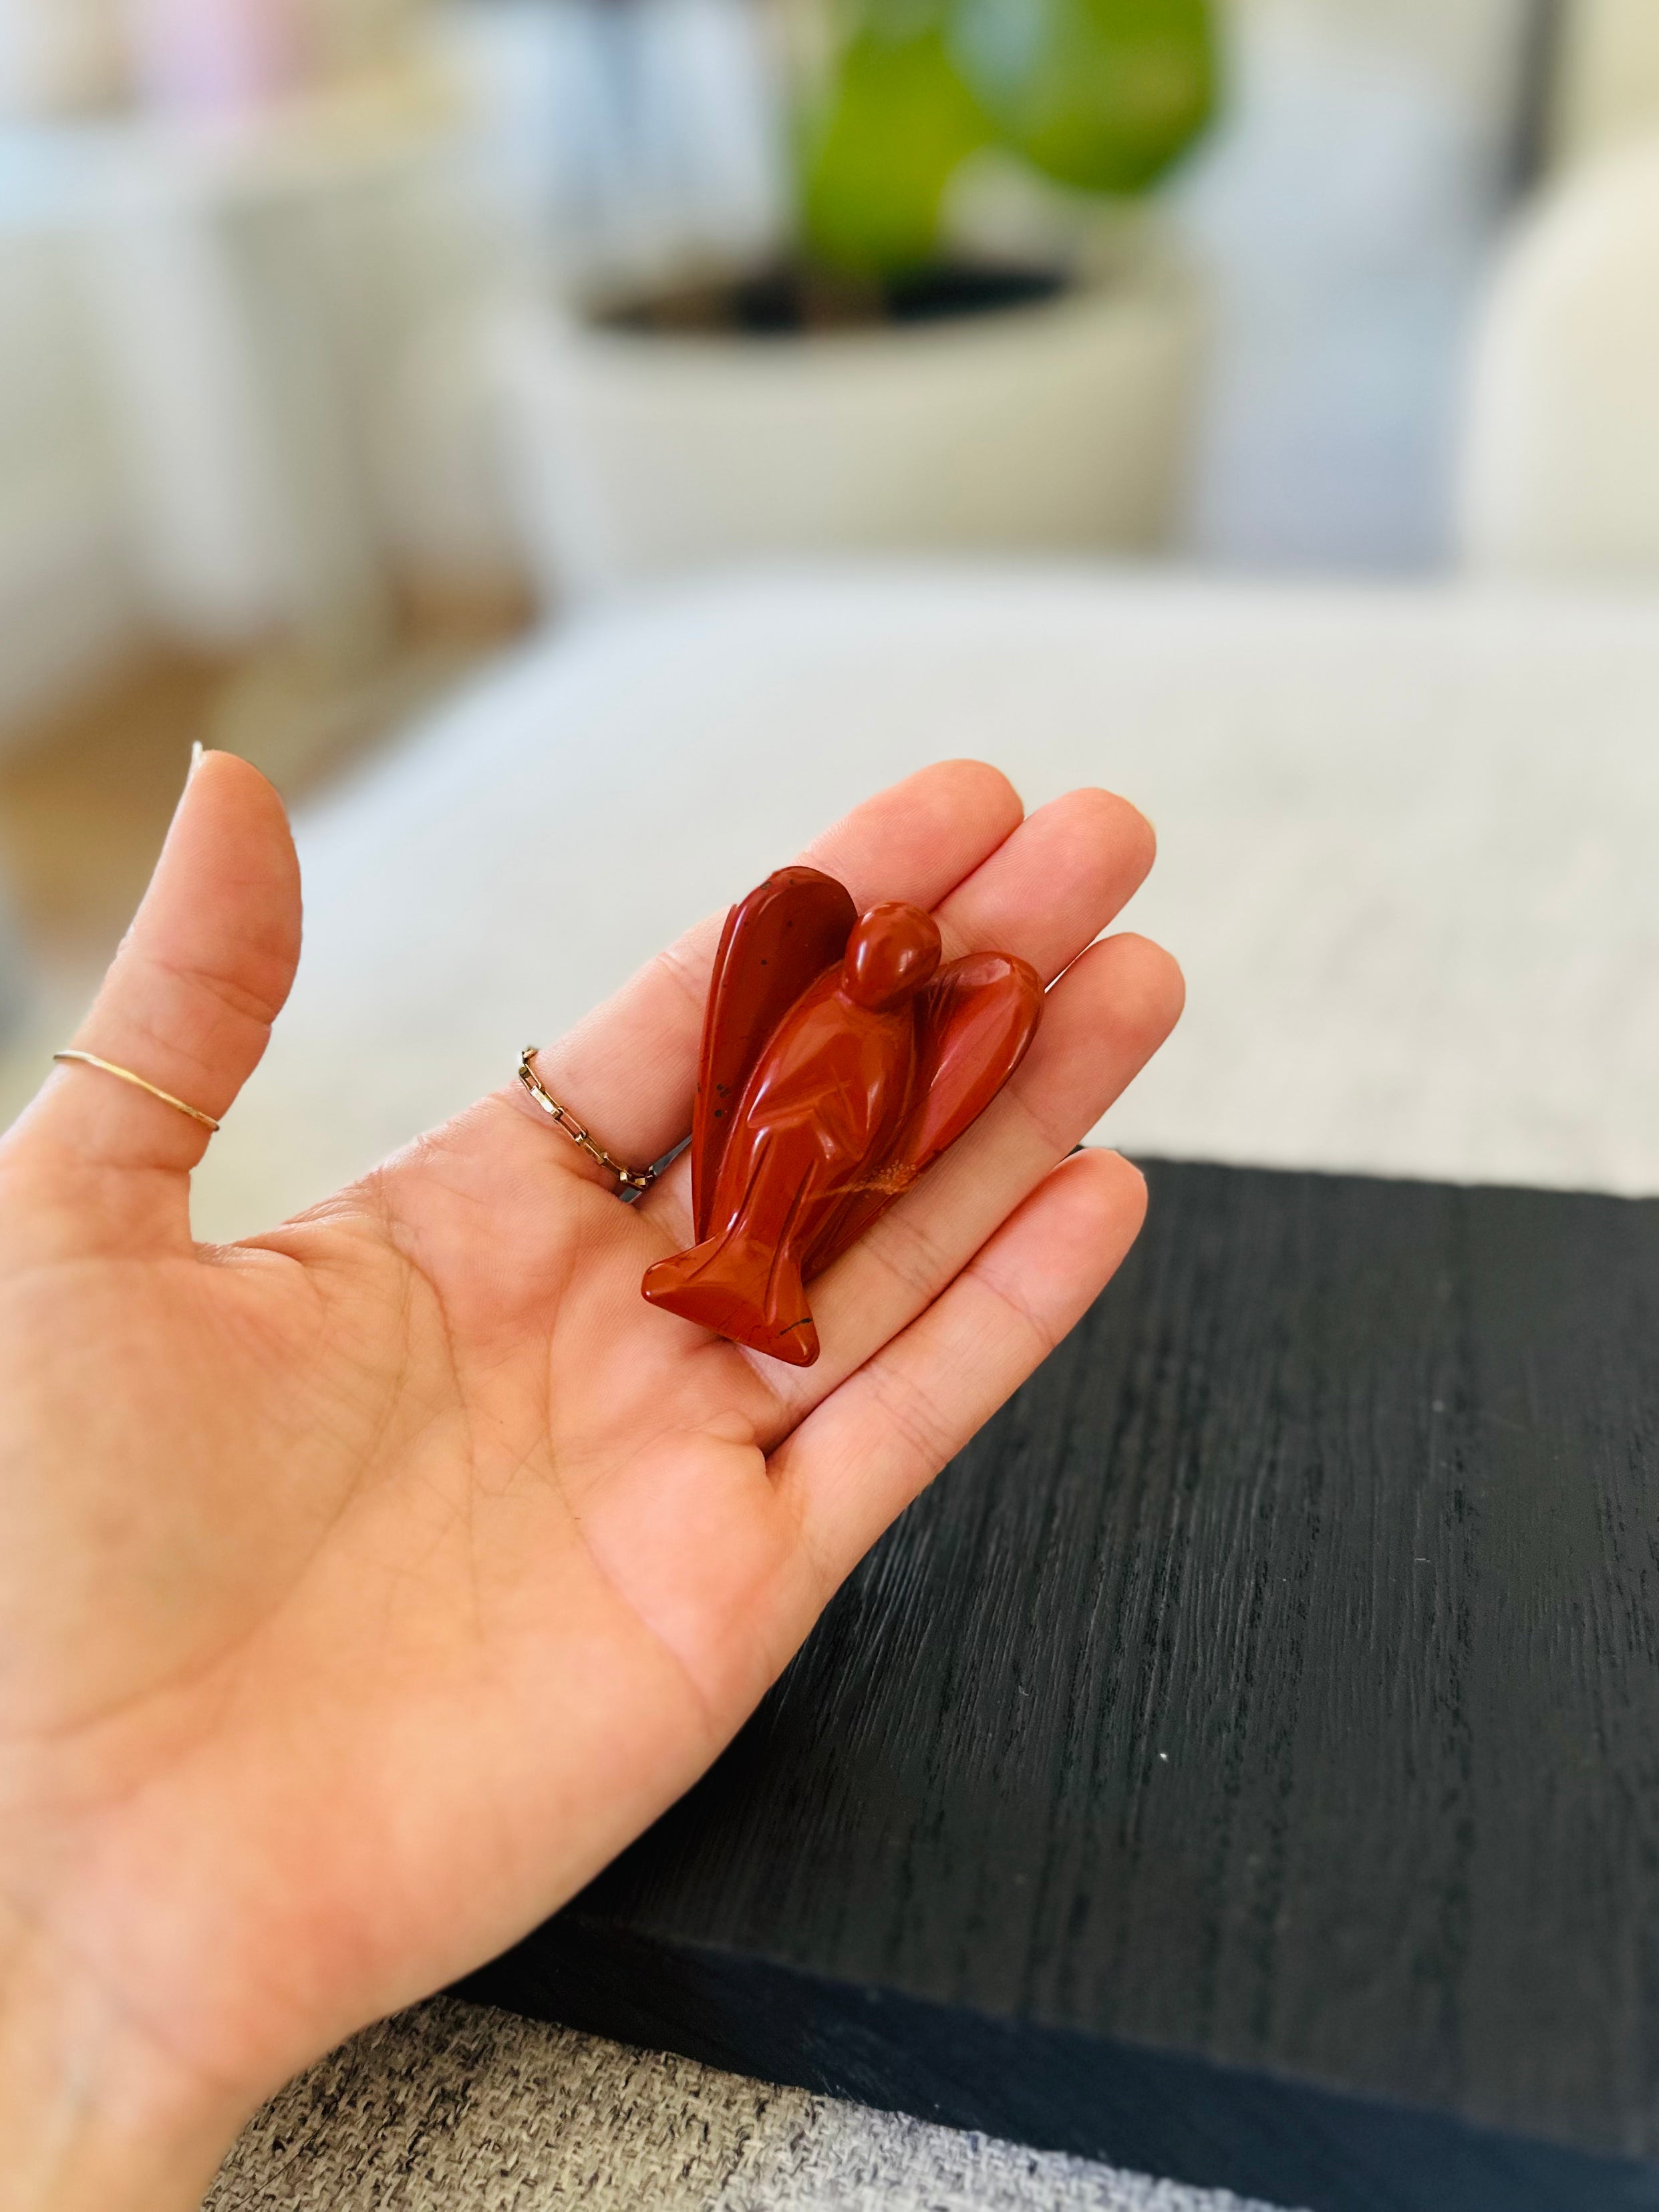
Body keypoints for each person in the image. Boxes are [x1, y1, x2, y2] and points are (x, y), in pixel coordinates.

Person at [0, 750, 1181, 2209]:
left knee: (795, 1184)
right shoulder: (805, 992)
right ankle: (740, 1253)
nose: (880, 955)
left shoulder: (908, 1034)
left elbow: (889, 1134)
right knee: (761, 1170)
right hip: (753, 1157)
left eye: (900, 953)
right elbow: (747, 1084)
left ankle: (759, 1261)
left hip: (817, 1170)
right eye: (873, 943)